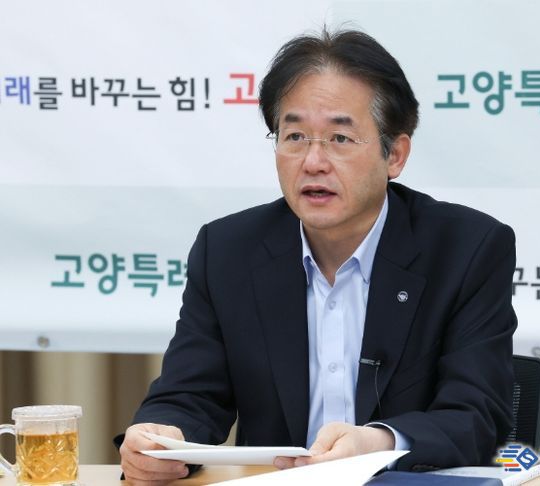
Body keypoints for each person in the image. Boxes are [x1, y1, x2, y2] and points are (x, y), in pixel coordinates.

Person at [118, 27, 517, 483]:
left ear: (395, 155)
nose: (312, 162)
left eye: (340, 139)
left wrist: (378, 443)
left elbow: (476, 416)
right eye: (294, 136)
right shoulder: (228, 251)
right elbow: (189, 396)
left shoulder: (466, 249)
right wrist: (163, 437)